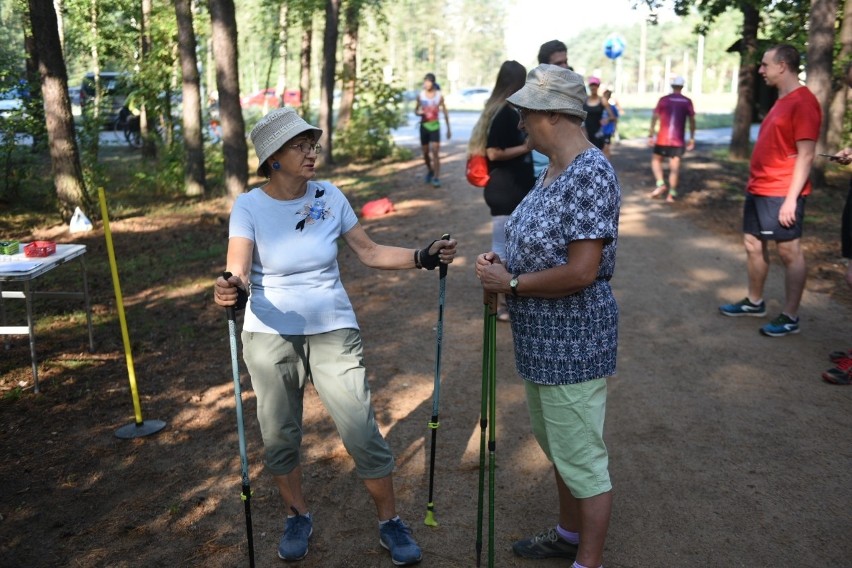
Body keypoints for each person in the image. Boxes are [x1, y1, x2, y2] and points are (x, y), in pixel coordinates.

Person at [213, 106, 457, 566]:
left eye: (312, 144)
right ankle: (296, 514)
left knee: (361, 428)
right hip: (269, 332)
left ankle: (389, 521)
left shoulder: (330, 196)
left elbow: (368, 251)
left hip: (333, 326)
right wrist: (230, 287)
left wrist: (423, 256)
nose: (311, 153)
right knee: (280, 433)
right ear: (274, 157)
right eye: (300, 146)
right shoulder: (249, 205)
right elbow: (239, 267)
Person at [476, 64, 620, 568]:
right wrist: (504, 265)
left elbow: (582, 271)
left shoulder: (589, 173)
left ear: (555, 115)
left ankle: (588, 561)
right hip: (543, 343)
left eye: (527, 114)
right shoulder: (553, 170)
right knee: (561, 448)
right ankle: (567, 535)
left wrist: (511, 284)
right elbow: (544, 248)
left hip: (573, 343)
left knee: (582, 459)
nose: (520, 125)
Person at [719, 44, 821, 337]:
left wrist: (791, 199)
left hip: (781, 191)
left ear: (782, 66)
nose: (760, 70)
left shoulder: (803, 102)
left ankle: (790, 316)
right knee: (752, 244)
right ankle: (754, 301)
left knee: (789, 252)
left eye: (765, 65)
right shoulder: (782, 100)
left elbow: (806, 155)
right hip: (759, 188)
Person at [468, 60, 534, 322]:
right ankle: (501, 304)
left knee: (508, 247)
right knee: (501, 249)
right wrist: (528, 146)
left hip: (510, 189)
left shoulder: (502, 110)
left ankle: (506, 300)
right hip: (505, 190)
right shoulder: (505, 113)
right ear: (515, 84)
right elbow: (494, 152)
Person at [647, 76, 695, 202]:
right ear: (682, 86)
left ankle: (660, 183)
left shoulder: (663, 100)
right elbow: (692, 121)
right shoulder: (687, 101)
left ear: (672, 86)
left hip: (662, 139)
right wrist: (692, 138)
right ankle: (671, 194)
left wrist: (651, 134)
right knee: (674, 167)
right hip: (678, 141)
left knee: (656, 160)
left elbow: (655, 117)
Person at [532, 40, 572, 175]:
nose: (565, 67)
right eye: (558, 63)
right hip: (538, 174)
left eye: (565, 61)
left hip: (567, 169)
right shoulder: (530, 98)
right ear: (544, 67)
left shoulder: (571, 95)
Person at [414, 73, 451, 187]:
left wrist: (448, 128)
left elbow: (445, 112)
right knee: (425, 152)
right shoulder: (421, 96)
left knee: (435, 152)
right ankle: (430, 170)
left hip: (435, 126)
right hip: (424, 126)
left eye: (428, 82)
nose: (426, 84)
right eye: (425, 82)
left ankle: (436, 177)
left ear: (433, 83)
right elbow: (415, 110)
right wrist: (419, 112)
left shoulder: (439, 96)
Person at [582, 77, 608, 152]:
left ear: (598, 86)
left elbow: (612, 116)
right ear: (589, 86)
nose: (593, 87)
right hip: (585, 133)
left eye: (595, 85)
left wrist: (606, 119)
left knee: (599, 155)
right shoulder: (584, 100)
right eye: (591, 85)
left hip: (598, 134)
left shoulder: (602, 100)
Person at [600, 88, 619, 159]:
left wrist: (615, 129)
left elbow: (615, 118)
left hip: (608, 130)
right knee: (601, 147)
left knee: (606, 146)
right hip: (601, 130)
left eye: (607, 96)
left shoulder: (612, 107)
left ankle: (607, 161)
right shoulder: (600, 107)